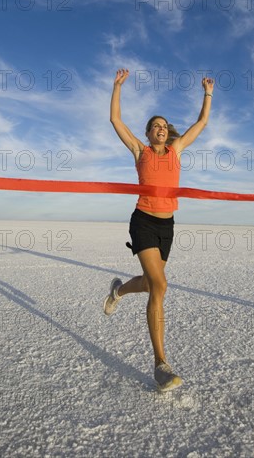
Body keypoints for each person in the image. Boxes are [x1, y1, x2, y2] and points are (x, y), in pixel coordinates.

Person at [104, 68, 215, 391]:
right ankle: (160, 364)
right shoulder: (141, 152)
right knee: (161, 286)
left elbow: (202, 124)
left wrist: (207, 92)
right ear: (149, 134)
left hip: (168, 226)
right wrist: (117, 87)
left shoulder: (177, 152)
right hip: (143, 222)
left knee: (153, 285)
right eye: (155, 127)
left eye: (164, 127)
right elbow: (116, 122)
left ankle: (119, 290)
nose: (160, 130)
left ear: (169, 133)